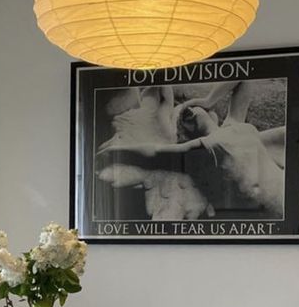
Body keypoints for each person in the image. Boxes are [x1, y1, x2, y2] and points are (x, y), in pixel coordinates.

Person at [95, 81, 286, 219]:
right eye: (185, 118)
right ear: (190, 136)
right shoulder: (209, 150)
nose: (190, 110)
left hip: (284, 190)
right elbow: (154, 152)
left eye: (190, 109)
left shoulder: (233, 125)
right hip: (277, 207)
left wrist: (208, 99)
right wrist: (117, 152)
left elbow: (244, 80)